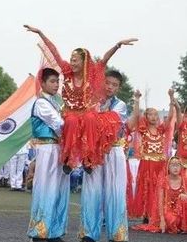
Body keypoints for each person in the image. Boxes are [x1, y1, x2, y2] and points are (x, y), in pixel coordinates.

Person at [24, 25, 137, 172]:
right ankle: (68, 160)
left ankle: (88, 160)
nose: (72, 62)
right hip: (70, 112)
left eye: (75, 60)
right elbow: (55, 53)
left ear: (84, 62)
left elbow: (104, 59)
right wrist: (41, 34)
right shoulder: (67, 71)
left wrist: (118, 45)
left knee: (90, 118)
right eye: (71, 59)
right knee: (70, 121)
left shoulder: (92, 73)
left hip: (87, 112)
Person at [78, 70, 132, 242]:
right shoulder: (90, 103)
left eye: (114, 85)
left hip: (114, 150)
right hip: (93, 151)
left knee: (115, 191)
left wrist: (90, 119)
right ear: (102, 83)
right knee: (91, 191)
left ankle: (117, 236)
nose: (110, 87)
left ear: (119, 87)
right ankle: (89, 235)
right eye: (107, 83)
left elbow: (108, 124)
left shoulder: (121, 105)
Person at [27, 68, 69, 242]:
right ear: (42, 83)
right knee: (45, 188)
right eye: (52, 81)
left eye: (57, 82)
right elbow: (58, 123)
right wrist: (77, 130)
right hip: (47, 148)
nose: (56, 85)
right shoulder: (41, 103)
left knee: (60, 190)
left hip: (59, 148)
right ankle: (38, 232)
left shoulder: (56, 103)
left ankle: (54, 232)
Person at [129, 90, 176, 221]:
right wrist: (137, 100)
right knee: (146, 188)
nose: (154, 117)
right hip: (146, 163)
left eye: (156, 115)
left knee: (159, 188)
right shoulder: (142, 130)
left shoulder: (162, 129)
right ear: (146, 117)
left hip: (160, 164)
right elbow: (136, 116)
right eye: (151, 114)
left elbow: (171, 116)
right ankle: (146, 214)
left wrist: (171, 98)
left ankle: (158, 213)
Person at [134, 157, 187, 234]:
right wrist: (162, 220)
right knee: (171, 220)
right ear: (168, 167)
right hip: (168, 210)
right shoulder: (164, 180)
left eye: (178, 165)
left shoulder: (184, 180)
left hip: (181, 210)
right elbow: (160, 202)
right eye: (173, 165)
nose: (175, 168)